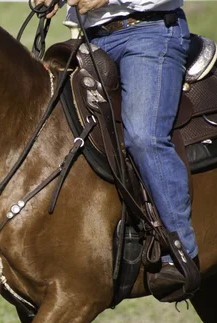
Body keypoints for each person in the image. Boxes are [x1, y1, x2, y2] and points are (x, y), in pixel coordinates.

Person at [36, 0, 199, 295]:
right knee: (52, 124)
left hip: (149, 31)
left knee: (143, 136)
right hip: (89, 39)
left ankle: (180, 252)